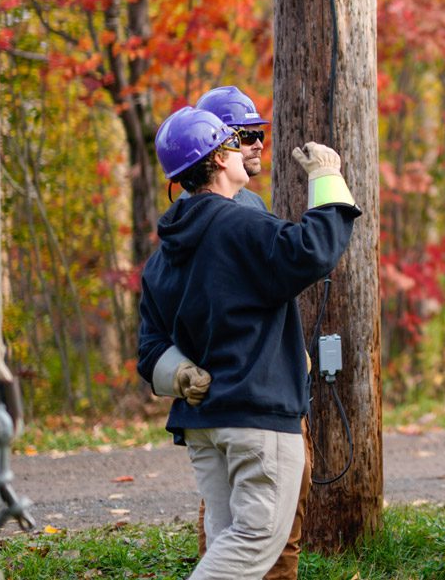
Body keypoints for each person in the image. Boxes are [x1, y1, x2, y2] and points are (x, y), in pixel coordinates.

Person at [138, 107, 360, 580]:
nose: (246, 149)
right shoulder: (238, 225)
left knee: (226, 540)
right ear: (219, 158)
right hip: (256, 418)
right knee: (256, 539)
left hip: (203, 422)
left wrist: (178, 373)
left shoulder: (164, 254)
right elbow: (314, 251)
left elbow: (150, 345)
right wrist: (328, 177)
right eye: (235, 144)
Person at [188, 85, 310, 580]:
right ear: (216, 150)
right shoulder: (226, 215)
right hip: (252, 390)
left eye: (261, 132)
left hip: (268, 380)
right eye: (246, 135)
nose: (259, 143)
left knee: (255, 515)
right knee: (261, 522)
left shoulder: (250, 206)